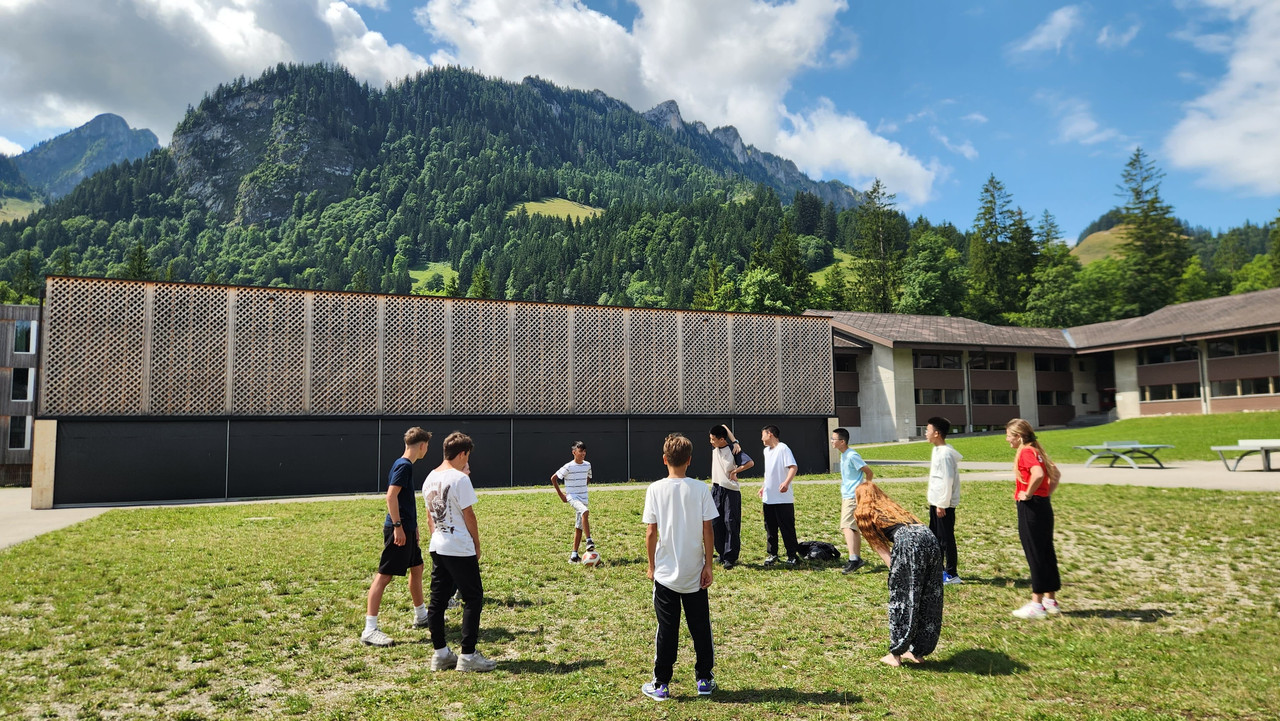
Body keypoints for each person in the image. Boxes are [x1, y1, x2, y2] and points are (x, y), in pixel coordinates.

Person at [641, 433, 718, 701]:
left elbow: (651, 531)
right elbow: (708, 528)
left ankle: (661, 683)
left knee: (667, 628)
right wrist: (709, 564)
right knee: (700, 627)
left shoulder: (654, 489)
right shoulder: (700, 489)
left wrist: (651, 565)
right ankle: (704, 679)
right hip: (695, 572)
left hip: (665, 575)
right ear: (689, 460)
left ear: (665, 460)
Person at [423, 431, 497, 672]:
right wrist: (476, 544)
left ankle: (440, 653)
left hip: (438, 544)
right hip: (459, 546)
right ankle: (467, 655)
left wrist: (436, 536)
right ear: (463, 453)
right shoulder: (459, 479)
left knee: (437, 601)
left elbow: (429, 517)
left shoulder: (429, 478)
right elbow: (469, 515)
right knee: (473, 597)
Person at [855, 481, 944, 667]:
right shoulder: (895, 510)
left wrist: (898, 576)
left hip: (909, 543)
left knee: (904, 599)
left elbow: (883, 551)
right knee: (929, 596)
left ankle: (896, 654)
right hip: (929, 538)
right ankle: (918, 652)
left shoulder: (864, 514)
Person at [361, 427, 432, 647]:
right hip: (398, 529)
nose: (426, 450)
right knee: (384, 576)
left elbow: (404, 500)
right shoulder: (403, 466)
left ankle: (421, 615)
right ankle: (369, 629)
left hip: (407, 527)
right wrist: (398, 526)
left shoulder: (404, 465)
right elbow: (391, 497)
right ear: (421, 446)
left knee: (417, 567)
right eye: (427, 446)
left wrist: (413, 527)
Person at [1006, 418, 1062, 620]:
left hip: (1031, 507)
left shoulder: (1026, 452)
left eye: (1009, 436)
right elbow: (1055, 474)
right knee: (1045, 551)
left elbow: (1038, 474)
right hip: (1042, 506)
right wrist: (1045, 494)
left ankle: (1037, 604)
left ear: (1019, 437)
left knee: (1035, 553)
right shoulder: (1037, 450)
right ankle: (1050, 600)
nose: (1007, 440)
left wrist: (1029, 494)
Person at [708, 424, 753, 570]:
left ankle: (730, 557)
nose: (711, 441)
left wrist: (735, 471)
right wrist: (735, 440)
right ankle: (721, 554)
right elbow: (722, 426)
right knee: (715, 523)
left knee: (730, 522)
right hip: (716, 489)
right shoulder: (715, 449)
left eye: (713, 439)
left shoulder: (733, 450)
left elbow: (750, 463)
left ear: (722, 439)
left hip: (730, 491)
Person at [925, 417, 963, 584]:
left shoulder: (946, 454)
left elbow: (947, 480)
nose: (926, 433)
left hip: (943, 504)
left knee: (946, 538)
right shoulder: (937, 451)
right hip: (936, 502)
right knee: (935, 538)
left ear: (937, 433)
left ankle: (951, 573)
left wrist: (942, 504)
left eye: (928, 430)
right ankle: (938, 571)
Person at [831, 427, 873, 574]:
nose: (831, 441)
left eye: (834, 439)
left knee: (846, 526)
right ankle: (856, 558)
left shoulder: (851, 455)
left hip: (853, 496)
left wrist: (865, 490)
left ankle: (853, 559)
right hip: (847, 495)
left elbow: (868, 471)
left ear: (842, 442)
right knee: (853, 527)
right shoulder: (844, 455)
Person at [759, 425, 801, 566]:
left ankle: (792, 555)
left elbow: (793, 467)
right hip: (768, 498)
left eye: (763, 435)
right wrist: (764, 486)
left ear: (770, 434)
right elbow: (769, 472)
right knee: (770, 528)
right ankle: (773, 554)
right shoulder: (766, 451)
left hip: (783, 499)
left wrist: (786, 482)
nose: (761, 438)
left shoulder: (783, 448)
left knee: (787, 528)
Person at [551, 440, 594, 563]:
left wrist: (582, 487)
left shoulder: (587, 465)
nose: (583, 454)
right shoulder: (568, 466)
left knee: (579, 526)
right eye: (580, 451)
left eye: (584, 451)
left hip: (583, 498)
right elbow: (553, 478)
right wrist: (562, 495)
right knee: (585, 512)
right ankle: (589, 541)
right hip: (572, 497)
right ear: (574, 452)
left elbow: (588, 477)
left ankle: (574, 556)